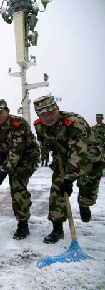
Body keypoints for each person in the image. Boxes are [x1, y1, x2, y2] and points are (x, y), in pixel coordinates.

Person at [33, 96, 105, 243]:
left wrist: (69, 178)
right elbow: (46, 143)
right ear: (38, 116)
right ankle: (57, 228)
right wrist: (54, 157)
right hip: (64, 158)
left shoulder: (74, 122)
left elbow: (78, 152)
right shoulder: (39, 126)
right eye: (43, 115)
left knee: (87, 186)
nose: (48, 118)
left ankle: (84, 204)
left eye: (51, 112)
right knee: (57, 190)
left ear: (57, 109)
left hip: (89, 157)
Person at [0, 99, 40, 239]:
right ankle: (22, 214)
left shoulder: (19, 124)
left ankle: (23, 223)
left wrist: (3, 171)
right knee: (14, 184)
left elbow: (18, 150)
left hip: (27, 157)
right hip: (11, 157)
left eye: (0, 113)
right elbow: (0, 145)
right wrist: (0, 157)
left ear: (7, 111)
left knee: (17, 185)